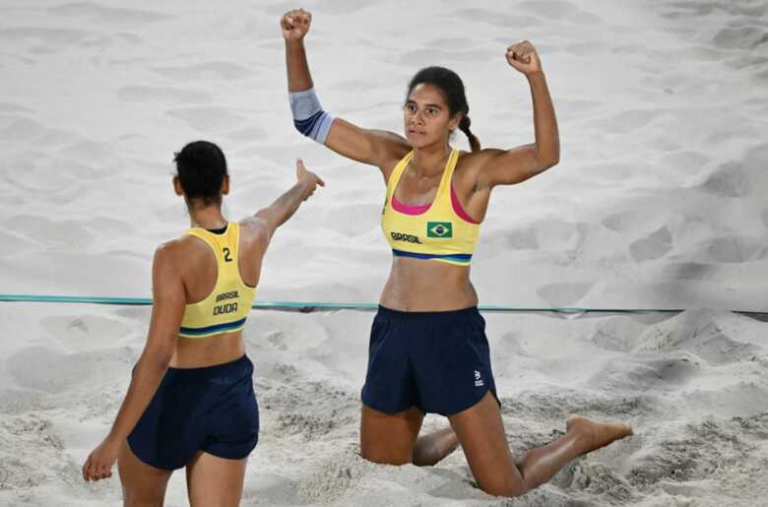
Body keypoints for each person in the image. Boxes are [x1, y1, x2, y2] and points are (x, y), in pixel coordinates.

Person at [280, 9, 632, 497]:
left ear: (454, 120)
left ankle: (579, 435)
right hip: (392, 331)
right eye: (410, 107)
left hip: (450, 336)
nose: (415, 119)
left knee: (504, 485)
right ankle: (457, 430)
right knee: (389, 463)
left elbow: (546, 155)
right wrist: (295, 44)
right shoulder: (389, 156)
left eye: (430, 111)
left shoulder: (472, 173)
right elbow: (309, 119)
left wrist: (535, 77)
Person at [81, 140, 324, 506]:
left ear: (179, 187)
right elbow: (280, 209)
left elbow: (159, 354)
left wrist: (112, 441)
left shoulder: (173, 256)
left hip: (176, 399)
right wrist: (304, 185)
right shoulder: (254, 234)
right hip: (233, 396)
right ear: (225, 184)